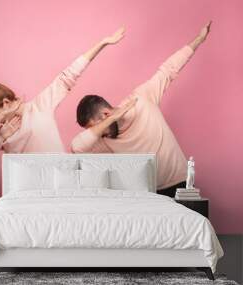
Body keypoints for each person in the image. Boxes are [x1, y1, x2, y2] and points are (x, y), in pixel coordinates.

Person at [71, 22, 212, 197]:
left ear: (105, 113)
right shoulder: (104, 140)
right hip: (148, 193)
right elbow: (76, 147)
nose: (98, 133)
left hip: (181, 184)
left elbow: (168, 70)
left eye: (95, 126)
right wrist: (109, 121)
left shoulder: (141, 99)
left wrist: (199, 39)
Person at [0, 27, 126, 153]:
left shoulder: (39, 106)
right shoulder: (4, 132)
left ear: (6, 102)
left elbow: (69, 75)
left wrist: (103, 43)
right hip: (28, 189)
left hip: (59, 183)